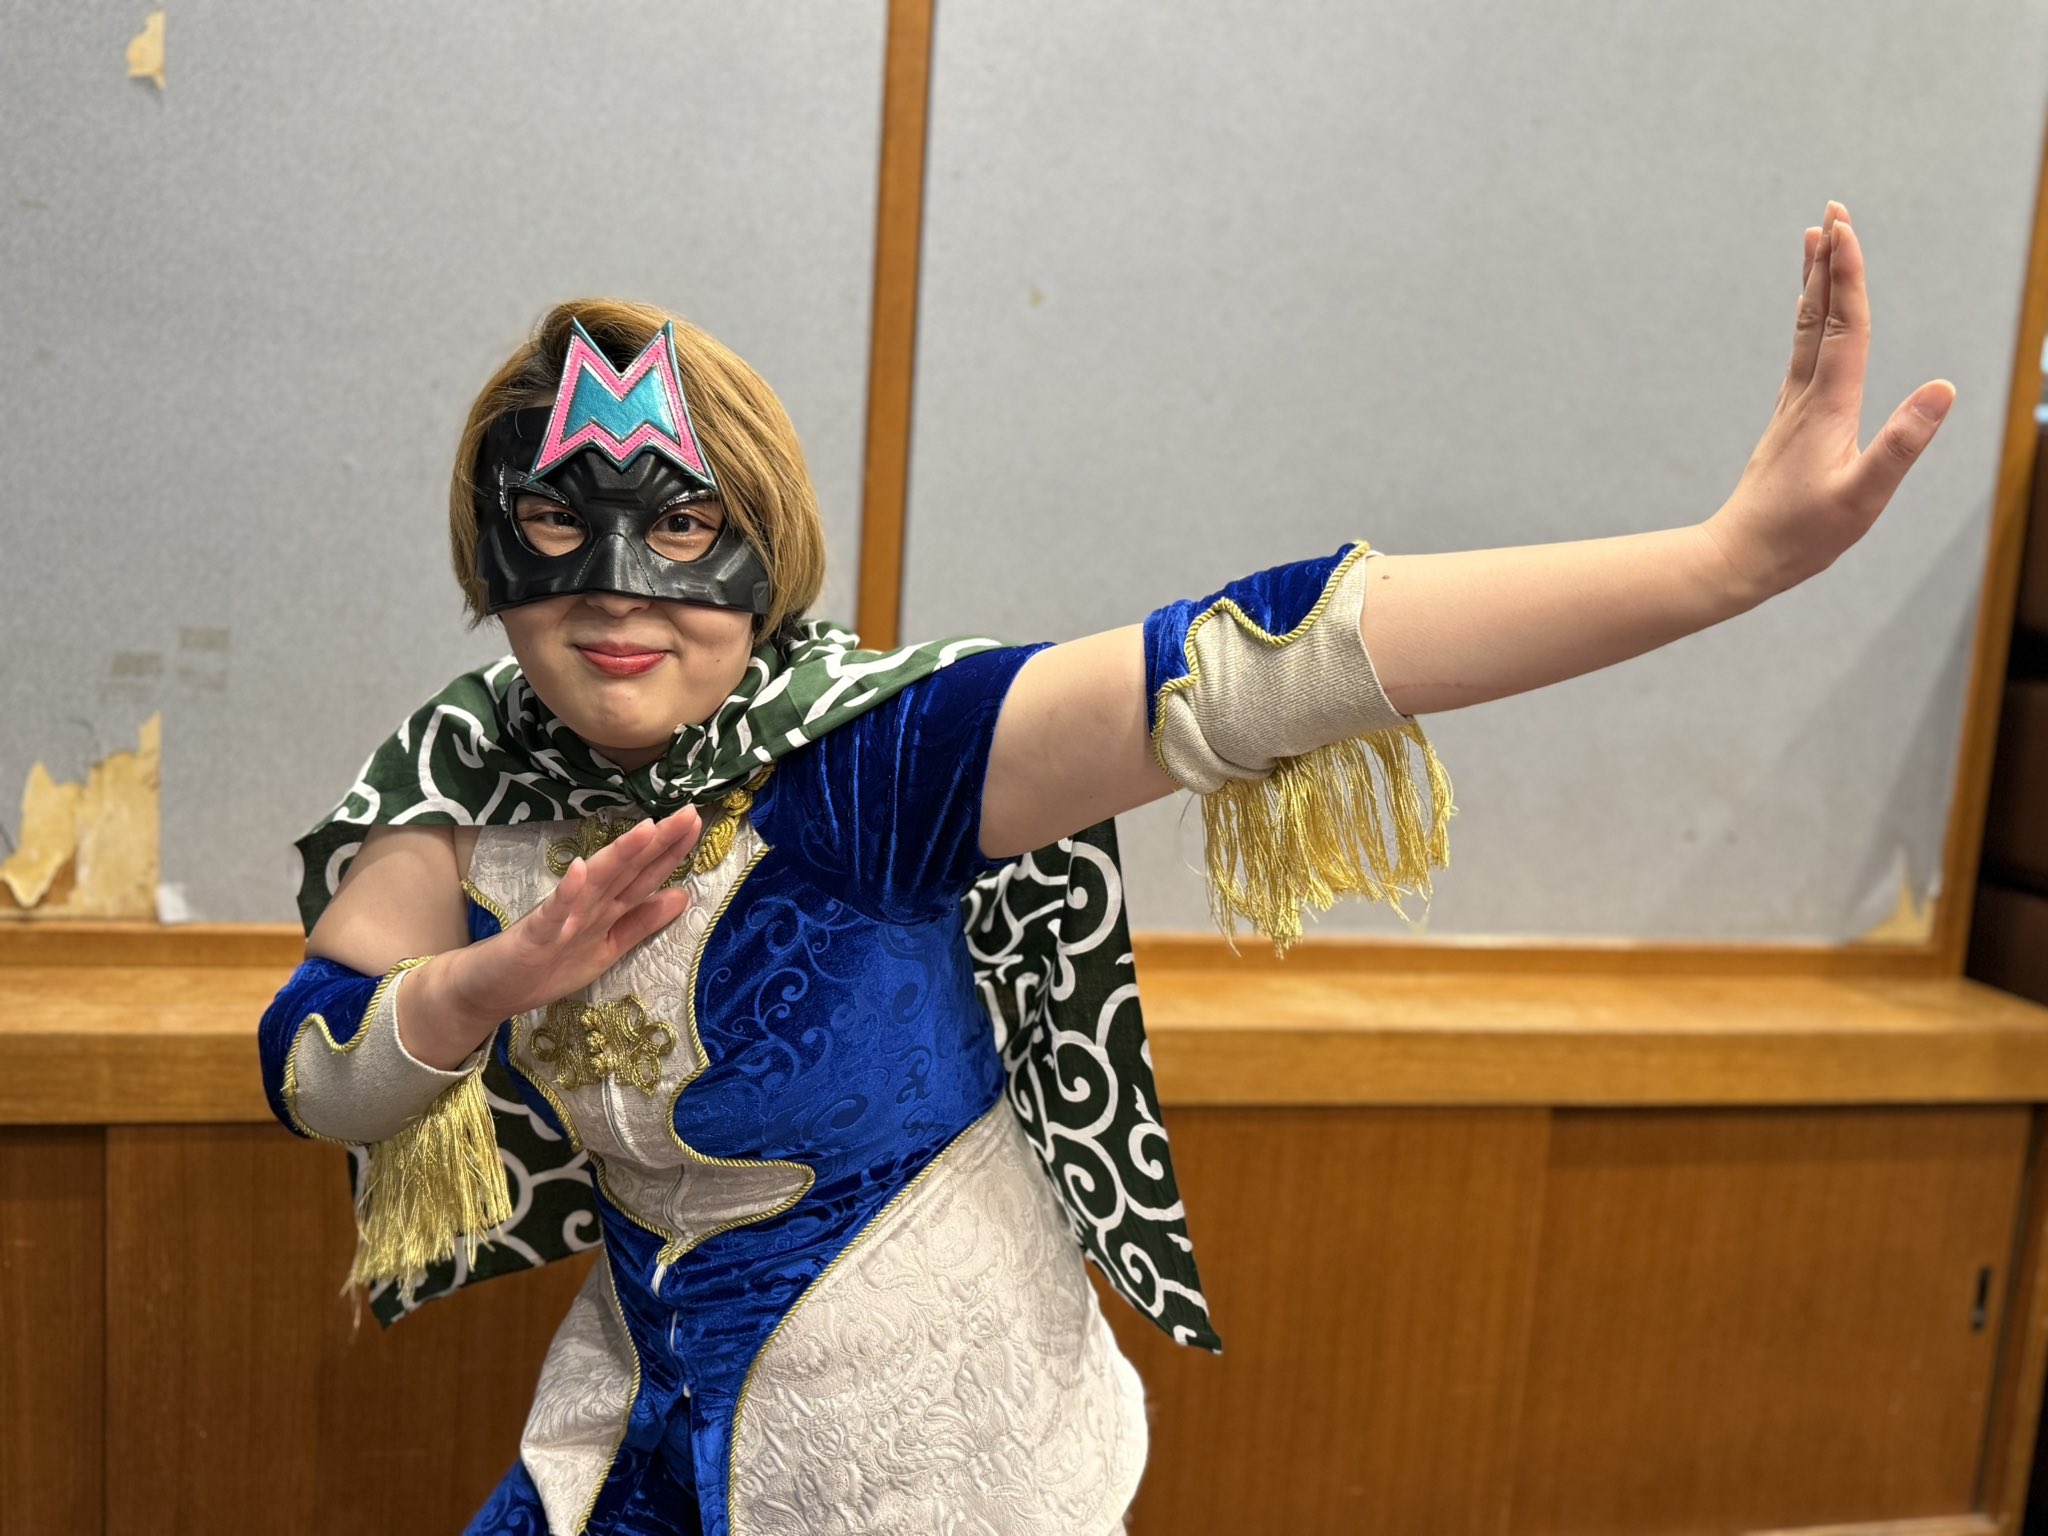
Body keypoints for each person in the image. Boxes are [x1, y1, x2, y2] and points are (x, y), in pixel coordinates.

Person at [258, 201, 1950, 1536]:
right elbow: (318, 1075)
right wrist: (480, 986)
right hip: (642, 1412)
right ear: (491, 551)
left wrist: (1722, 564)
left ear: (762, 551)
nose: (618, 590)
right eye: (558, 527)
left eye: (681, 528)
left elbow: (1255, 659)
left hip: (934, 1439)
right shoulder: (462, 774)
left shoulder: (867, 760)